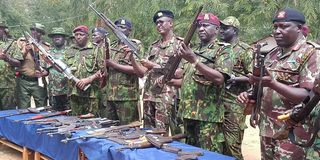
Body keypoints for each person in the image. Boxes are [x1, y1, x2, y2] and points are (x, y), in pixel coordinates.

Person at [236, 8, 320, 160]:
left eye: (283, 26)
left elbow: (309, 97)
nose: (277, 31)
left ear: (299, 29)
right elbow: (262, 87)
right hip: (267, 129)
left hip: (294, 133)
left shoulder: (311, 53)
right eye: (275, 27)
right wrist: (250, 94)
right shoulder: (272, 54)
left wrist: (273, 83)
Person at [177, 13, 234, 152]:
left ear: (217, 29)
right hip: (188, 113)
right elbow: (188, 80)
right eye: (199, 26)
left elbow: (220, 78)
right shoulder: (193, 50)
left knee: (208, 154)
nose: (201, 29)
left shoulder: (223, 49)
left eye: (206, 25)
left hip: (208, 116)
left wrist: (195, 61)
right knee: (190, 153)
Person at [131, 10, 183, 134]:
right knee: (148, 132)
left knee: (162, 133)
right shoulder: (153, 46)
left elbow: (179, 72)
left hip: (167, 96)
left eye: (161, 22)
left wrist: (154, 65)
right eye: (156, 23)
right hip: (149, 95)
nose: (158, 25)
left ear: (171, 23)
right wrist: (132, 58)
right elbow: (142, 72)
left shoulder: (180, 44)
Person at [219, 16, 253, 159]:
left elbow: (253, 77)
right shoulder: (219, 48)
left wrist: (234, 78)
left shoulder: (245, 50)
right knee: (218, 145)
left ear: (234, 30)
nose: (221, 30)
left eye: (225, 28)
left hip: (235, 105)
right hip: (216, 104)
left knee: (232, 146)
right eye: (221, 27)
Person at [99, 18, 142, 125]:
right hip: (110, 95)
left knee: (129, 129)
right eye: (117, 27)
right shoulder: (111, 46)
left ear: (129, 31)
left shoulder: (135, 45)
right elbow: (105, 67)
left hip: (127, 96)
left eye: (123, 28)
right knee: (111, 129)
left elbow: (137, 69)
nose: (119, 30)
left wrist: (113, 65)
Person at [65, 25, 104, 116]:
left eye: (81, 34)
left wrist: (89, 79)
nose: (78, 37)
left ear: (87, 36)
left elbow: (103, 69)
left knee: (92, 122)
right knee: (75, 120)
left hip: (91, 93)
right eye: (76, 34)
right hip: (74, 93)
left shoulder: (96, 49)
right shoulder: (69, 50)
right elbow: (65, 69)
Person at [15, 23, 49, 108]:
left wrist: (44, 72)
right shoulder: (22, 43)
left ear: (41, 34)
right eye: (33, 30)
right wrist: (25, 50)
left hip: (39, 81)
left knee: (42, 108)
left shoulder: (46, 47)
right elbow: (16, 60)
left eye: (38, 31)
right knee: (23, 109)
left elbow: (49, 65)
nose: (35, 32)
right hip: (23, 81)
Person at [47, 27, 69, 111]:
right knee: (54, 115)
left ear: (64, 38)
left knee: (69, 115)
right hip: (53, 91)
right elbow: (46, 70)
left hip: (67, 91)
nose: (57, 38)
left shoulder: (70, 51)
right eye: (54, 36)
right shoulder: (48, 53)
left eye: (59, 36)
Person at [0, 21, 19, 110]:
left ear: (4, 29)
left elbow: (19, 63)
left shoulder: (12, 44)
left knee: (8, 113)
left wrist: (7, 58)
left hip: (8, 86)